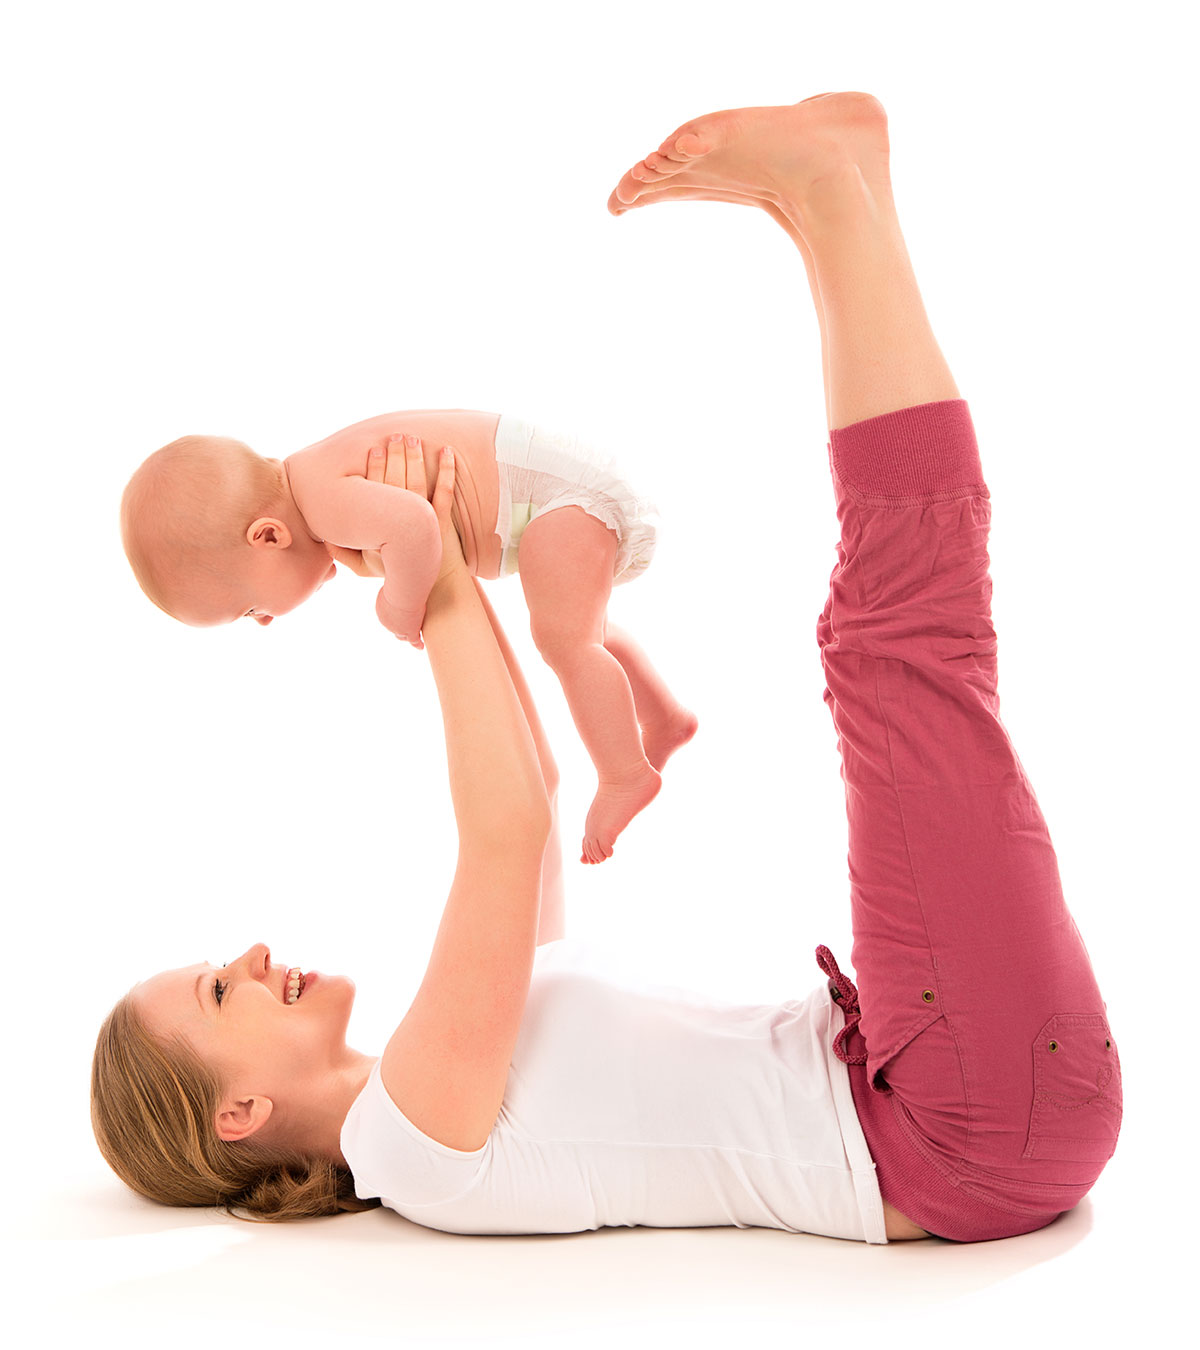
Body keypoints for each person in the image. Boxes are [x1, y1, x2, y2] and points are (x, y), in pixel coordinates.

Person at [92, 91, 1121, 1244]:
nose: (252, 954)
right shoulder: (409, 1143)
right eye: (220, 989)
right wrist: (423, 580)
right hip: (958, 1127)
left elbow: (529, 788)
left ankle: (820, 200)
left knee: (880, 648)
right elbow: (507, 833)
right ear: (239, 1112)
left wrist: (449, 561)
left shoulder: (460, 1055)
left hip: (926, 1071)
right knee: (891, 649)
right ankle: (836, 194)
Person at [120, 410, 694, 863]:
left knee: (565, 642)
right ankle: (664, 719)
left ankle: (624, 773)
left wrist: (400, 603)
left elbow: (415, 527)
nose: (265, 621)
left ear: (268, 537)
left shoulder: (320, 498)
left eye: (248, 609)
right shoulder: (314, 475)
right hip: (551, 491)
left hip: (554, 498)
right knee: (585, 629)